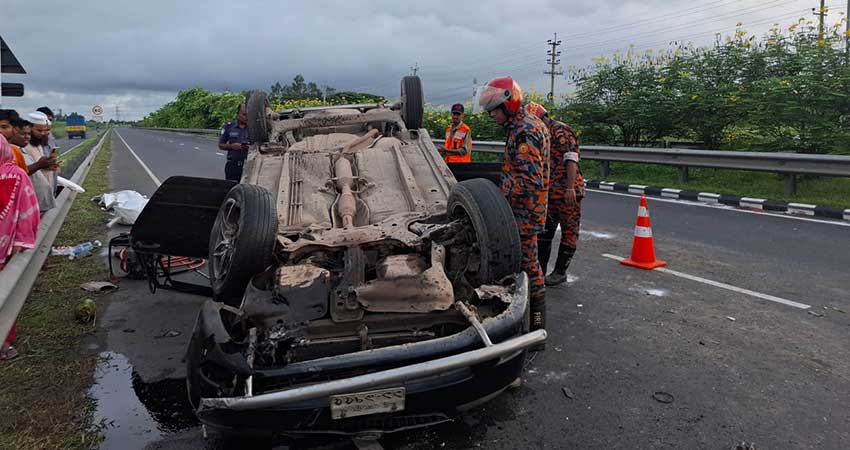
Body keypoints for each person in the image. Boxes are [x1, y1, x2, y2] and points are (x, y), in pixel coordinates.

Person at [477, 76, 550, 334]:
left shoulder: (525, 131)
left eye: (493, 110)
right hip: (524, 210)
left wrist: (497, 196)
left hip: (525, 213)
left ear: (508, 105)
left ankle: (536, 329)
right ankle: (531, 327)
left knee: (528, 266)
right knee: (526, 265)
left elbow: (530, 180)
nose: (491, 115)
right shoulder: (521, 126)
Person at [525, 102, 585, 286]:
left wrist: (569, 188)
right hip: (550, 193)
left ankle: (560, 272)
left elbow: (571, 159)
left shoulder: (560, 131)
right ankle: (540, 271)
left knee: (569, 232)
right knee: (545, 232)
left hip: (568, 192)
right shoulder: (540, 134)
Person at [0, 134, 41, 360]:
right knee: (6, 293)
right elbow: (29, 212)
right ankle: (4, 342)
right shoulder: (17, 175)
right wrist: (22, 241)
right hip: (7, 248)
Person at [21, 112, 58, 213]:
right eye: (39, 130)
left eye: (45, 130)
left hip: (44, 198)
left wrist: (48, 165)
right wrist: (39, 165)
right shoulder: (22, 146)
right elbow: (21, 171)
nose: (43, 133)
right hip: (30, 201)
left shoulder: (38, 144)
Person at [219, 104, 249, 181]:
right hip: (233, 165)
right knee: (231, 188)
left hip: (249, 165)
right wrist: (232, 146)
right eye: (244, 114)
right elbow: (221, 145)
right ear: (238, 114)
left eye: (248, 114)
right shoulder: (229, 126)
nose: (246, 117)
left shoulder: (254, 128)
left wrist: (248, 147)